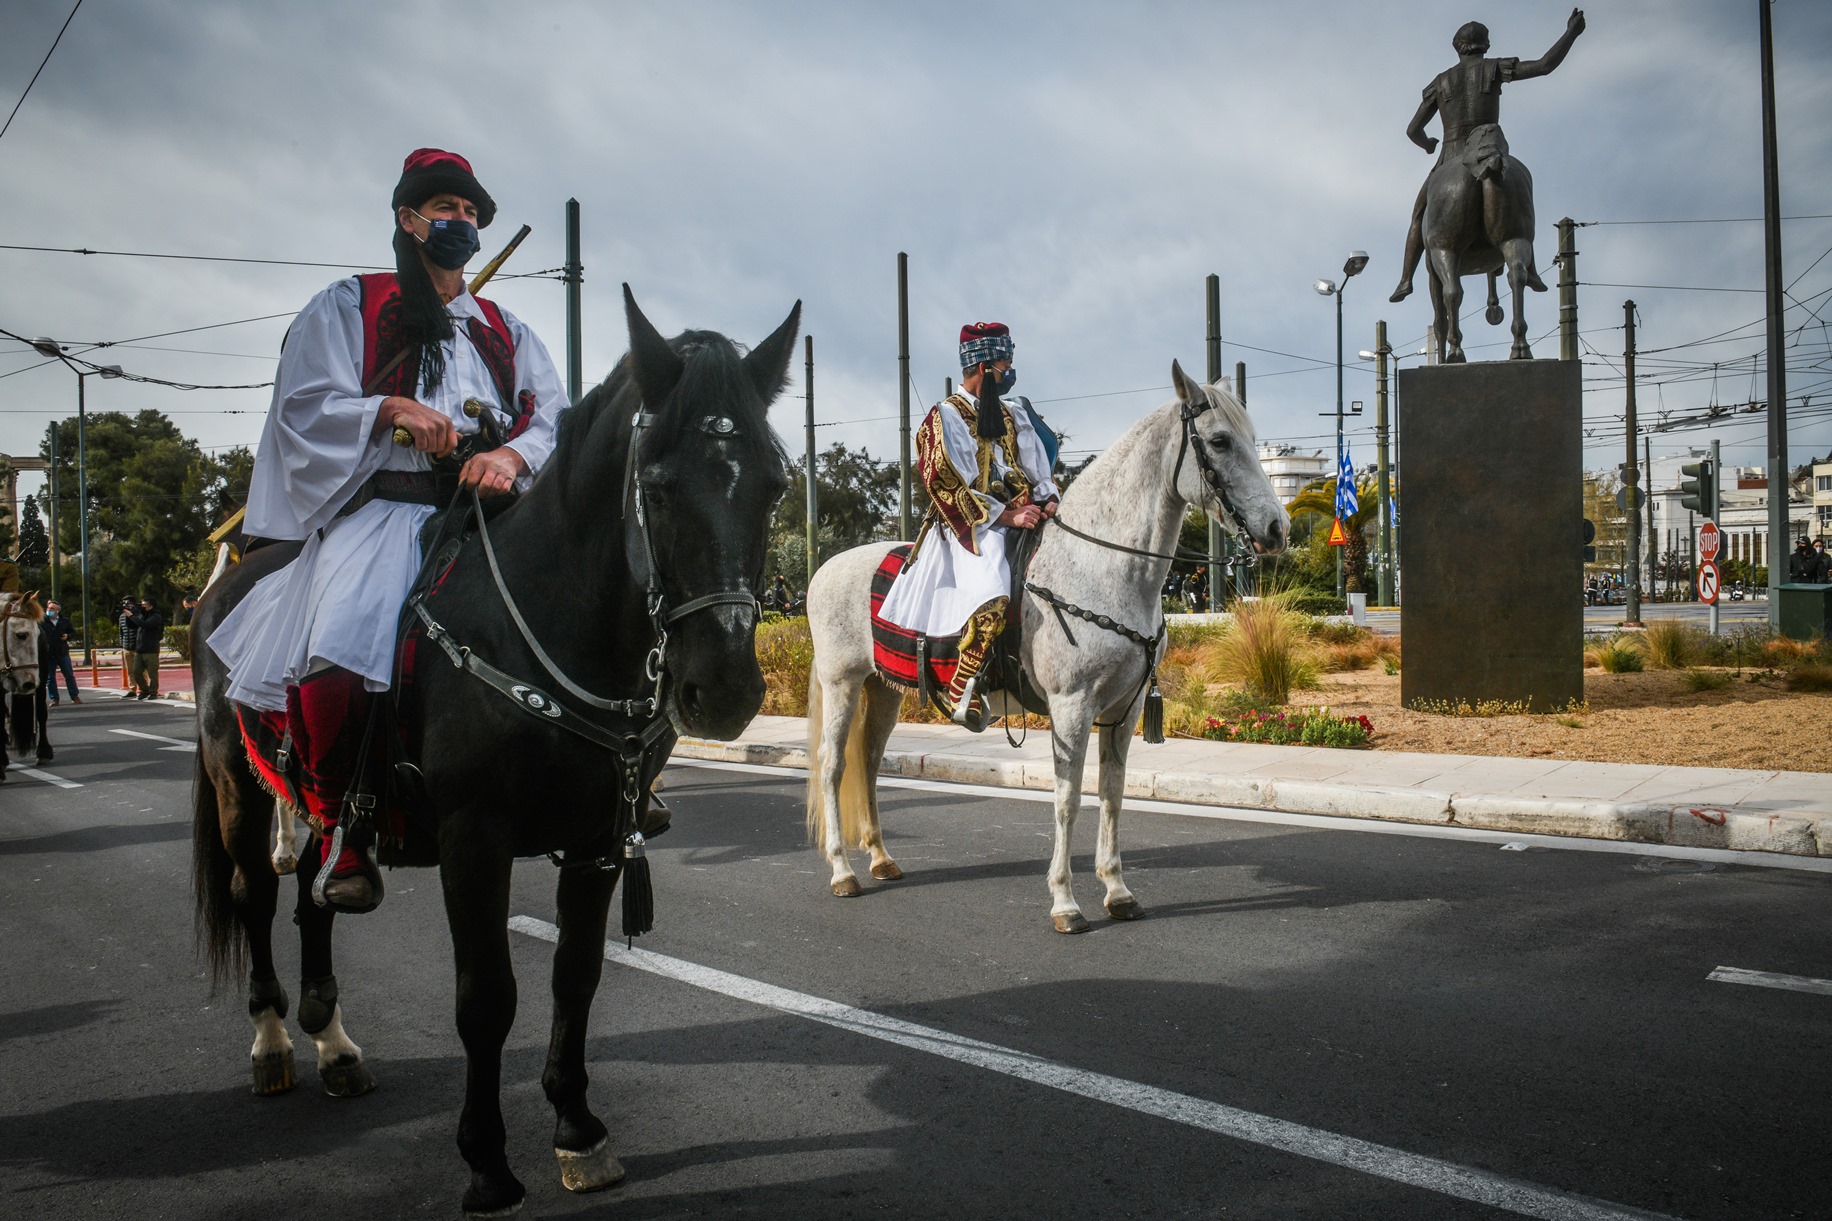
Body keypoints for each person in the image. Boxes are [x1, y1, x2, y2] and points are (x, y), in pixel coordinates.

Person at [207, 149, 569, 913]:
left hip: (489, 511)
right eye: (445, 208)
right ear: (408, 220)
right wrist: (391, 412)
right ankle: (344, 825)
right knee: (343, 641)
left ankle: (596, 793)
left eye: (470, 212)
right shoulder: (348, 304)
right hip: (385, 508)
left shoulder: (507, 328)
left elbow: (552, 417)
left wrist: (507, 451)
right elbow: (302, 405)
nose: (460, 222)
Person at [877, 322, 1059, 730]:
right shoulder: (943, 417)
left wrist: (1047, 498)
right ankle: (967, 686)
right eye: (1003, 362)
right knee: (993, 583)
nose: (1010, 369)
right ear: (981, 366)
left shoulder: (1014, 415)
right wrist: (1006, 516)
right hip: (974, 526)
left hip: (1023, 515)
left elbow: (1037, 467)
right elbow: (945, 479)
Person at [1390, 9, 1586, 303]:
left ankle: (1406, 279)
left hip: (1450, 154)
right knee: (1522, 185)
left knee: (1419, 215)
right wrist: (1571, 33)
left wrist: (1429, 144)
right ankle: (1528, 268)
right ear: (1486, 45)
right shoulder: (1495, 68)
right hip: (1487, 148)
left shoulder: (1440, 83)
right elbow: (1545, 65)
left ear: (1457, 47)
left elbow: (1412, 130)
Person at [43, 599, 79, 705]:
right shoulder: (41, 621)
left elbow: (72, 632)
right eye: (48, 608)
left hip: (62, 652)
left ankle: (75, 696)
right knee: (50, 678)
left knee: (69, 675)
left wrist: (68, 636)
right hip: (48, 653)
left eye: (52, 609)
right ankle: (54, 699)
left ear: (57, 611)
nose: (49, 610)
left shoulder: (64, 621)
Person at [128, 597, 164, 700]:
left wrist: (132, 616)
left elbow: (145, 625)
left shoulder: (156, 616)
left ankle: (153, 692)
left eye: (144, 605)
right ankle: (145, 689)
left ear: (151, 606)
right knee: (136, 671)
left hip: (151, 650)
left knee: (152, 673)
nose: (142, 607)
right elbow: (131, 625)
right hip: (139, 649)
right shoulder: (142, 616)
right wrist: (130, 614)